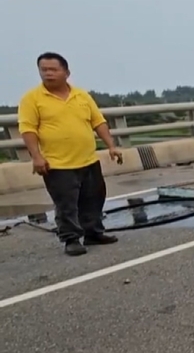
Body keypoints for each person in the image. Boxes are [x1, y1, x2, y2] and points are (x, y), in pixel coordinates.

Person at [18, 52, 122, 256]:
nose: (48, 73)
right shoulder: (32, 99)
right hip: (58, 164)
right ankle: (71, 239)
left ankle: (93, 232)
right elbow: (28, 129)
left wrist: (111, 145)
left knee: (93, 198)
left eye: (53, 69)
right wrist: (36, 156)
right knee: (66, 204)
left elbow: (98, 122)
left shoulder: (81, 95)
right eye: (44, 70)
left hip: (88, 159)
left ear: (66, 72)